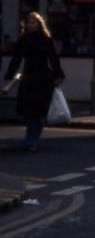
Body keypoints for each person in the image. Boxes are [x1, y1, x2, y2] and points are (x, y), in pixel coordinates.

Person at [3, 12, 64, 152]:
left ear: (39, 24)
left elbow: (53, 59)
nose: (31, 25)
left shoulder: (46, 39)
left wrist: (58, 75)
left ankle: (33, 140)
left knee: (39, 110)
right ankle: (30, 138)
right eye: (29, 22)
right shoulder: (24, 39)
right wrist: (10, 74)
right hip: (29, 77)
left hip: (43, 78)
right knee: (29, 110)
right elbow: (16, 58)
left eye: (33, 22)